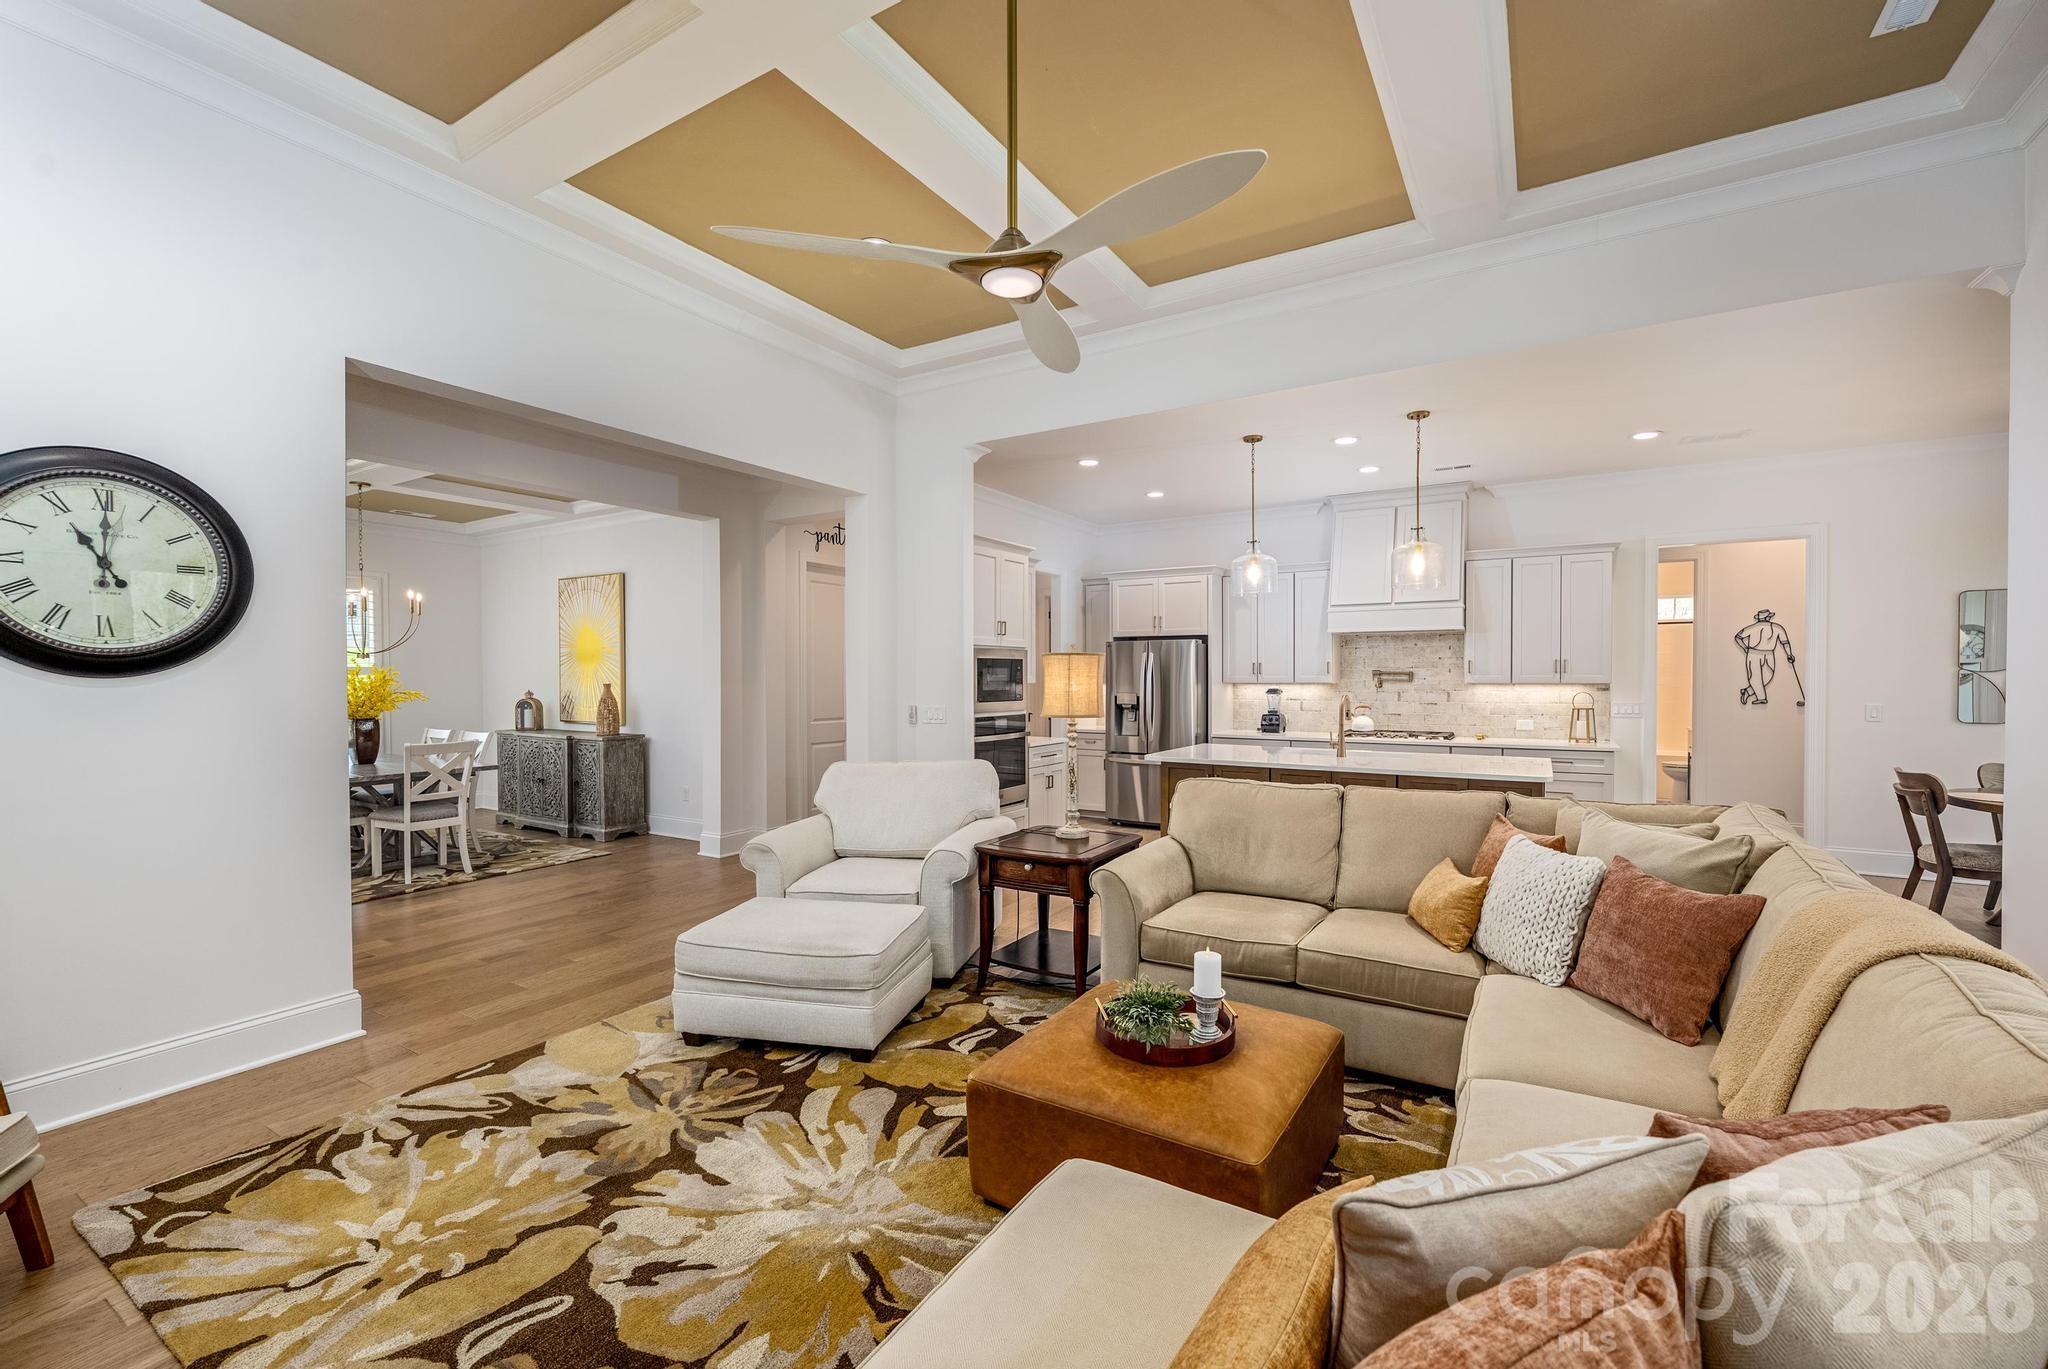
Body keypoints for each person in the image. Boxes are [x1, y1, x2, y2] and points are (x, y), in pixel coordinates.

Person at [1735, 609, 1794, 706]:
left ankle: (1747, 692)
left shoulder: (1776, 627)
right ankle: (1761, 698)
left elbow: (1785, 642)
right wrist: (1745, 648)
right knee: (1755, 677)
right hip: (1754, 653)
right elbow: (1737, 637)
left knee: (1768, 676)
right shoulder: (1755, 627)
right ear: (1768, 617)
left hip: (1768, 653)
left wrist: (1789, 654)